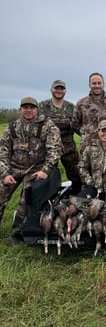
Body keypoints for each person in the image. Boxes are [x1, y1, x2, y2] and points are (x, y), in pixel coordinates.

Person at [0, 97, 62, 244]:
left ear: (37, 109)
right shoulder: (12, 127)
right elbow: (2, 152)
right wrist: (5, 173)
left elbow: (55, 150)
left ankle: (17, 233)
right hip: (14, 168)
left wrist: (45, 170)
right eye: (25, 107)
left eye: (32, 107)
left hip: (36, 169)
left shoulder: (48, 126)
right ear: (20, 109)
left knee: (26, 199)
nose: (28, 110)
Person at [39, 79, 82, 194]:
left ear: (65, 91)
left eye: (61, 89)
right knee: (49, 175)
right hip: (49, 147)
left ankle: (78, 197)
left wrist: (88, 136)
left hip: (68, 147)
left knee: (76, 174)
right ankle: (50, 199)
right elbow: (37, 126)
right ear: (51, 89)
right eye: (56, 88)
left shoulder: (71, 107)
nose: (59, 91)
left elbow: (77, 126)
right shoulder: (43, 106)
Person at [72, 72, 106, 152]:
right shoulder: (81, 103)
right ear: (89, 85)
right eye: (94, 83)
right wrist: (86, 134)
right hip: (87, 147)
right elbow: (75, 124)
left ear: (103, 84)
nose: (97, 86)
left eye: (99, 83)